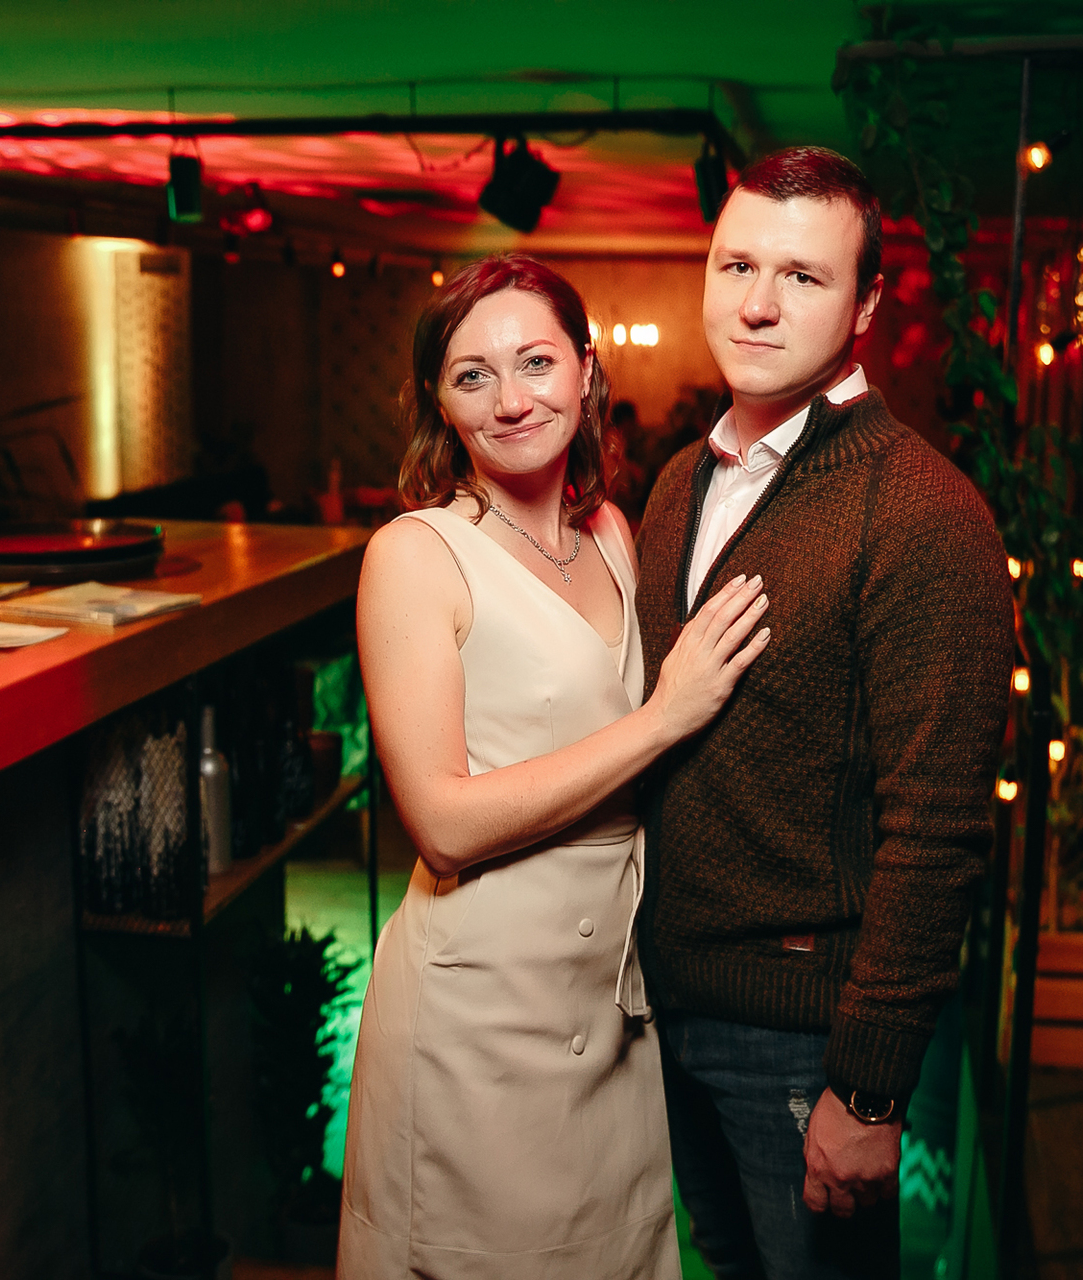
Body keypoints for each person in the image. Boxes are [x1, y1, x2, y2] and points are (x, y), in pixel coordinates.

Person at [338, 254, 772, 1279]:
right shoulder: (415, 554)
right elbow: (441, 821)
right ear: (439, 402)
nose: (511, 399)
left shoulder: (613, 532)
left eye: (535, 362)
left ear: (585, 370)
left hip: (611, 1007)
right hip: (478, 1015)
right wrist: (663, 720)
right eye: (473, 375)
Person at [635, 147, 1015, 1278]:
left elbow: (938, 831)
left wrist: (870, 1087)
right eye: (736, 265)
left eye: (802, 276)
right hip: (667, 1005)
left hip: (804, 1039)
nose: (757, 303)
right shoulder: (678, 483)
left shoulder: (923, 512)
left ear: (867, 306)